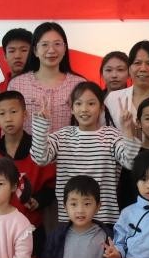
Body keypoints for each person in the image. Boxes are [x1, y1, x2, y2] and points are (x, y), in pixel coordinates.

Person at [30, 81, 123, 224]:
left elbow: (130, 161)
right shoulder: (63, 135)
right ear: (72, 108)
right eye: (78, 104)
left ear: (101, 108)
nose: (84, 109)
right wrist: (41, 125)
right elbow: (40, 158)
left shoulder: (112, 135)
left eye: (91, 104)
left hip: (104, 219)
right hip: (70, 219)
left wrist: (130, 133)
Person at [0, 90, 55, 258]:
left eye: (13, 112)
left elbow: (51, 186)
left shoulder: (38, 149)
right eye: (2, 114)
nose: (8, 118)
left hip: (31, 225)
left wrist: (38, 200)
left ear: (25, 114)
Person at [8, 21, 88, 135]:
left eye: (57, 44)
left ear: (65, 49)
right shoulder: (17, 84)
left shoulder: (79, 84)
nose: (51, 50)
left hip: (70, 147)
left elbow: (89, 126)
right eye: (45, 45)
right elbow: (8, 127)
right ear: (35, 51)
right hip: (28, 147)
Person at [40, 175, 115, 258]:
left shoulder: (107, 236)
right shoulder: (57, 236)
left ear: (97, 207)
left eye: (87, 204)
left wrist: (115, 257)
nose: (80, 210)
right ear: (65, 207)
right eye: (73, 204)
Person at [0, 27, 34, 91]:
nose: (17, 56)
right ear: (5, 56)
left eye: (24, 50)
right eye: (12, 51)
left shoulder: (45, 85)